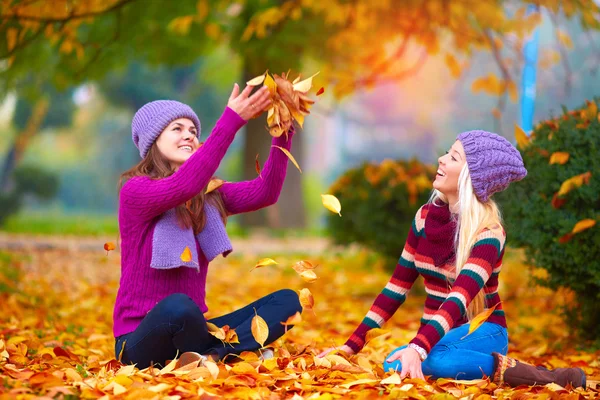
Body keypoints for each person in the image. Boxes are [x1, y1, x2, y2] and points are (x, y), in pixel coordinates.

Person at [320, 130, 586, 388]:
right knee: (394, 365)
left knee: (436, 361)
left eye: (454, 157)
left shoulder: (488, 234)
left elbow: (458, 299)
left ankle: (544, 377)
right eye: (447, 152)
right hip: (436, 335)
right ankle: (491, 366)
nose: (442, 159)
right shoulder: (423, 218)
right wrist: (349, 346)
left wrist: (418, 347)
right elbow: (395, 289)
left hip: (481, 332)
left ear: (470, 178)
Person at [113, 83, 302, 369]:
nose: (188, 134)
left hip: (191, 332)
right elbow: (183, 185)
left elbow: (266, 192)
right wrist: (232, 120)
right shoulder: (136, 191)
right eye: (177, 129)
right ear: (153, 140)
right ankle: (231, 353)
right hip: (138, 341)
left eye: (192, 130)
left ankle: (212, 357)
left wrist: (282, 131)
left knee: (287, 302)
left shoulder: (208, 196)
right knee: (179, 306)